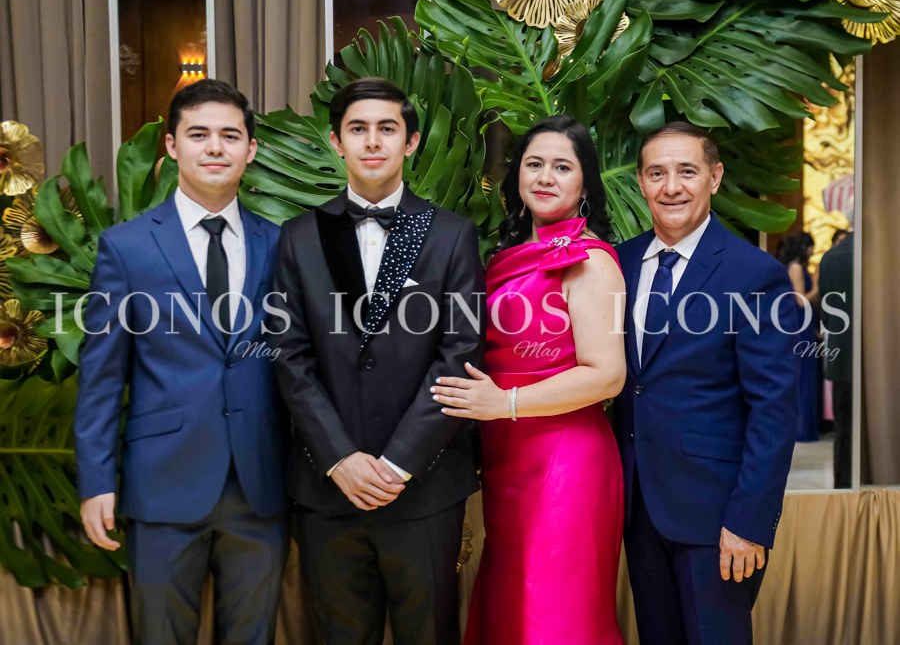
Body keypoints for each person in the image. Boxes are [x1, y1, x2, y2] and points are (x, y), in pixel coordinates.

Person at [269, 77, 484, 645]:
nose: (372, 141)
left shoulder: (452, 235)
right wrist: (340, 458)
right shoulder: (299, 237)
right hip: (328, 490)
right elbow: (290, 357)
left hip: (423, 487)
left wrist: (397, 463)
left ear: (410, 142)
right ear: (336, 142)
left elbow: (459, 353)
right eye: (357, 129)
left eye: (387, 129)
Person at [75, 79, 289, 644]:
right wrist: (96, 482)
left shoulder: (280, 244)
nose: (215, 147)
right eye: (199, 135)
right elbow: (101, 378)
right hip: (162, 484)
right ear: (172, 146)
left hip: (260, 485)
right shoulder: (127, 248)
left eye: (230, 136)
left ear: (251, 149)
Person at [433, 115, 626, 644]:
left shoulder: (589, 261)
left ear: (585, 181)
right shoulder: (509, 255)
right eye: (534, 164)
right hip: (507, 456)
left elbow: (607, 375)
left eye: (562, 167)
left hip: (566, 460)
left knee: (553, 617)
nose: (545, 177)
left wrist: (505, 402)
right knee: (513, 607)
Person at [615, 121, 799, 645]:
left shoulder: (754, 273)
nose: (671, 186)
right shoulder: (618, 264)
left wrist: (749, 521)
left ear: (714, 178)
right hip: (638, 506)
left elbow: (774, 410)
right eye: (657, 173)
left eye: (687, 172)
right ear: (641, 182)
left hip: (717, 516)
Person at [776, 232, 821, 441]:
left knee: (805, 374)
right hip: (800, 325)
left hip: (804, 325)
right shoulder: (795, 268)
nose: (812, 251)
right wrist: (818, 287)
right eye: (810, 246)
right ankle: (802, 428)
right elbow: (801, 301)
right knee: (804, 375)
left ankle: (805, 427)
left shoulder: (797, 267)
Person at [818, 231, 854, 488]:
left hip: (841, 351)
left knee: (844, 428)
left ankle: (842, 485)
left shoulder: (831, 257)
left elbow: (826, 314)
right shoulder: (880, 254)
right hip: (877, 356)